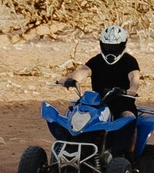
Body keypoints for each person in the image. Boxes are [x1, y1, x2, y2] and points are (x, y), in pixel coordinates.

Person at [58, 24, 142, 153]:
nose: (110, 50)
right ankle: (68, 148)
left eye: (115, 47)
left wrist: (132, 89)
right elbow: (83, 71)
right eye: (107, 46)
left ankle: (128, 157)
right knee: (73, 113)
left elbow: (134, 78)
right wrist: (70, 79)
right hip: (97, 102)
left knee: (129, 119)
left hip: (122, 101)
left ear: (123, 45)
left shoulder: (129, 61)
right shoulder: (96, 61)